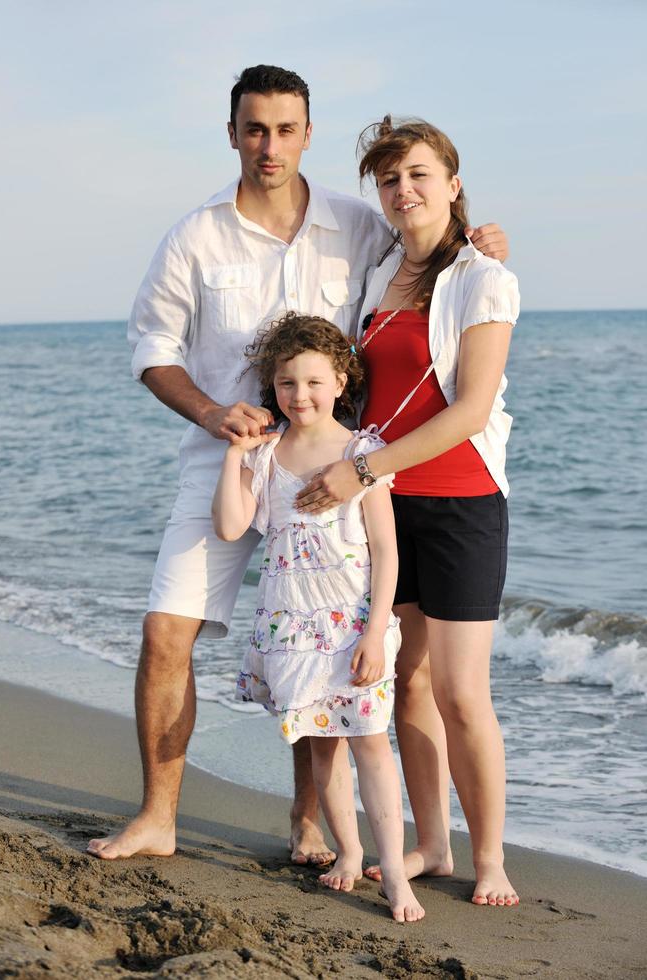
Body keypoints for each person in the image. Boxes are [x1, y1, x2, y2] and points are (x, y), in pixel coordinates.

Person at [86, 64, 508, 865]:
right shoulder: (195, 235)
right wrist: (212, 412)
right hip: (228, 462)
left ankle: (310, 824)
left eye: (285, 129)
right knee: (165, 631)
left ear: (307, 133)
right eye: (254, 129)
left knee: (319, 642)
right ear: (233, 133)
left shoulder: (358, 224)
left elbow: (431, 255)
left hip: (330, 476)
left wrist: (485, 237)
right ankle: (157, 817)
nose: (269, 145)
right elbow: (151, 349)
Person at [294, 117, 520, 907]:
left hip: (459, 503)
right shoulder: (378, 272)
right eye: (390, 179)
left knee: (461, 692)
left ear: (452, 185)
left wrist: (360, 468)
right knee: (406, 684)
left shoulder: (483, 277)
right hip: (387, 507)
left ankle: (490, 857)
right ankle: (433, 844)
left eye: (421, 175)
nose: (405, 190)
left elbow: (469, 409)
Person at [212, 312, 424, 922]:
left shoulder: (363, 454)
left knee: (370, 746)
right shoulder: (270, 455)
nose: (298, 395)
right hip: (291, 624)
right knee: (323, 749)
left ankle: (396, 877)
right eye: (285, 383)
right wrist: (237, 457)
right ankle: (349, 855)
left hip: (353, 624)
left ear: (339, 380)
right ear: (271, 388)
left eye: (311, 381)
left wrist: (378, 633)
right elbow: (230, 525)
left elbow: (386, 552)